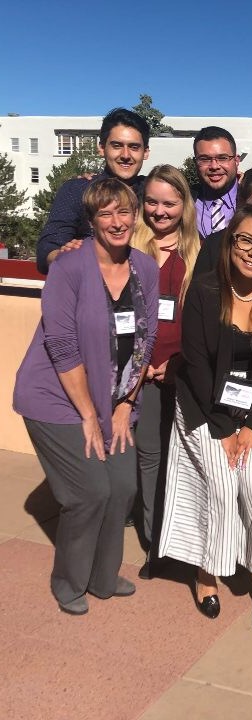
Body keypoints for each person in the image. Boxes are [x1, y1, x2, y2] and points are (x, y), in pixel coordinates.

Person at [13, 178, 159, 615]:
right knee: (89, 492)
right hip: (57, 397)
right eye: (106, 214)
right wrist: (89, 415)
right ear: (92, 220)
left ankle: (102, 576)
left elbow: (145, 340)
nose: (117, 222)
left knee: (122, 487)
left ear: (136, 216)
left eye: (125, 212)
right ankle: (69, 580)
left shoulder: (144, 268)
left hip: (113, 398)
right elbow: (61, 344)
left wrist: (123, 405)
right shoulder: (70, 267)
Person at [158, 203, 252, 631]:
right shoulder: (203, 292)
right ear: (230, 241)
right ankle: (207, 570)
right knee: (221, 484)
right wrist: (224, 431)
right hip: (203, 408)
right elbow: (198, 367)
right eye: (246, 240)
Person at [130, 165, 200, 578]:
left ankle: (187, 544)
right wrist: (140, 366)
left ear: (183, 206)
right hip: (140, 374)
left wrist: (176, 365)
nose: (159, 210)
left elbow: (201, 320)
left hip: (184, 370)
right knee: (150, 458)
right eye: (152, 201)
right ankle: (157, 545)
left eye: (169, 203)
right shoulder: (129, 246)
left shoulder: (198, 250)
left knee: (186, 459)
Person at [36, 108, 151, 274]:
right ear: (102, 148)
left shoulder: (153, 192)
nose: (126, 155)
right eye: (117, 146)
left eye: (134, 147)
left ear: (145, 152)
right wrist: (67, 257)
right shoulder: (77, 189)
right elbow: (48, 247)